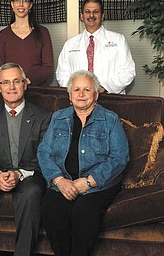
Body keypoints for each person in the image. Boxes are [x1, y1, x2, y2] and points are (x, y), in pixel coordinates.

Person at [37, 70, 129, 256]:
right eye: (76, 89)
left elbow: (120, 158)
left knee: (83, 212)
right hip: (64, 181)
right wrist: (59, 180)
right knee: (52, 209)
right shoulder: (58, 118)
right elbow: (43, 152)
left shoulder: (109, 119)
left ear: (95, 95)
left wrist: (88, 182)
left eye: (86, 89)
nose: (81, 94)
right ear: (69, 96)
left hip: (99, 184)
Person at [0, 62, 51, 256]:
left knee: (31, 192)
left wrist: (18, 174)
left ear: (25, 84)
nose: (11, 87)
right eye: (6, 82)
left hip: (29, 174)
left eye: (16, 81)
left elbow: (44, 155)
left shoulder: (43, 116)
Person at [56, 0, 136, 94]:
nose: (91, 15)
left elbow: (128, 71)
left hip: (110, 96)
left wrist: (104, 87)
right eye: (87, 12)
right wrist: (77, 91)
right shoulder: (70, 44)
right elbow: (62, 73)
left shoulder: (118, 40)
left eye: (96, 11)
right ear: (81, 16)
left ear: (102, 16)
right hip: (79, 100)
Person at [0, 0, 54, 85]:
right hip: (11, 90)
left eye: (25, 1)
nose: (21, 4)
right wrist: (13, 83)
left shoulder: (43, 32)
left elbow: (48, 67)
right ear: (12, 4)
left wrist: (28, 81)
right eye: (17, 1)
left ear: (30, 5)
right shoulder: (3, 34)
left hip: (37, 89)